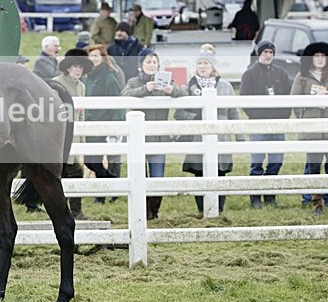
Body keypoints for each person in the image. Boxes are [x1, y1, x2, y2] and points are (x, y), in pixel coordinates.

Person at [174, 51, 243, 215]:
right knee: (199, 172)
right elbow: (178, 113)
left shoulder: (225, 86)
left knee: (220, 172)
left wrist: (240, 136)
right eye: (200, 63)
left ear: (213, 66)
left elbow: (234, 112)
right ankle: (201, 209)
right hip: (197, 136)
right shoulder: (188, 87)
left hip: (221, 135)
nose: (202, 66)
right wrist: (197, 117)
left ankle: (219, 210)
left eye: (206, 63)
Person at [120, 49, 185, 219]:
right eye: (148, 62)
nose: (151, 65)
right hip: (139, 138)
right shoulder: (134, 81)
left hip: (159, 137)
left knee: (157, 177)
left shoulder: (167, 81)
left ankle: (154, 212)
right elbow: (125, 95)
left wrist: (173, 91)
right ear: (141, 65)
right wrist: (145, 89)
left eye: (154, 62)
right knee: (140, 176)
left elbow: (184, 93)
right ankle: (143, 212)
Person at [239, 40, 292, 208]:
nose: (268, 55)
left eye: (270, 52)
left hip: (277, 125)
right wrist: (258, 117)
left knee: (276, 161)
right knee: (257, 162)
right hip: (258, 125)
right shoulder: (250, 74)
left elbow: (288, 98)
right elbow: (245, 100)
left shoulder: (281, 73)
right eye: (265, 52)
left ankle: (270, 195)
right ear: (259, 54)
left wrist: (283, 118)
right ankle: (255, 197)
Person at [54, 48, 93, 220]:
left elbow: (82, 114)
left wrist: (83, 140)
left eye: (81, 67)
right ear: (68, 67)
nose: (78, 70)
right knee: (67, 173)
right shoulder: (56, 83)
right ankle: (69, 212)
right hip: (59, 136)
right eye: (75, 66)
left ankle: (75, 211)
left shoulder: (82, 86)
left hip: (75, 136)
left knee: (74, 172)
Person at [290, 41, 328, 215]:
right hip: (312, 128)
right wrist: (303, 117)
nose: (320, 59)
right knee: (313, 166)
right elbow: (294, 99)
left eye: (323, 56)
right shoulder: (302, 76)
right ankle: (316, 203)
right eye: (317, 56)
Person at [83, 44, 124, 203]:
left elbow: (116, 104)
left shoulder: (109, 77)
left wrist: (114, 127)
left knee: (97, 160)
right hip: (90, 125)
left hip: (104, 125)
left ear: (103, 58)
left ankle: (101, 196)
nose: (93, 59)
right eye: (91, 56)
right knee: (91, 161)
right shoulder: (87, 77)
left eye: (96, 56)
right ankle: (113, 183)